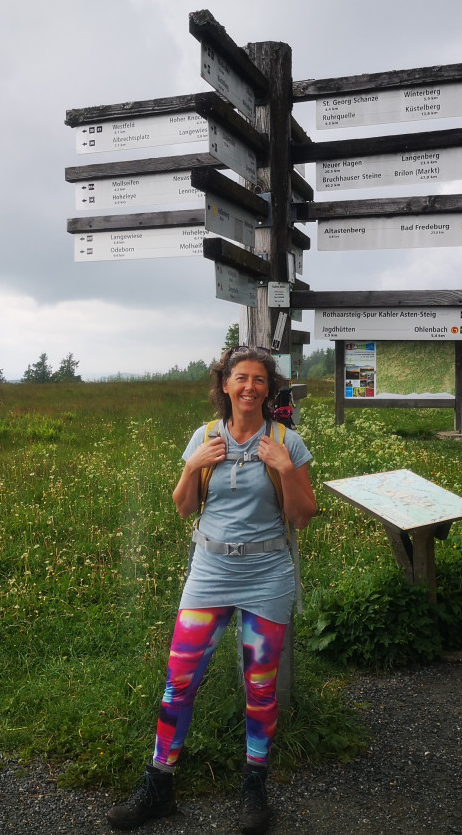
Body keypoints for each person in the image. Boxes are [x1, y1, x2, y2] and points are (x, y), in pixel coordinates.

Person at [106, 346, 317, 834]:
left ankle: (254, 786)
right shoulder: (203, 438)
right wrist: (191, 464)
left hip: (267, 573)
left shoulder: (287, 441)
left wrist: (285, 468)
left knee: (261, 687)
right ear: (224, 384)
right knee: (179, 680)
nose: (249, 387)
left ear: (270, 389)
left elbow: (303, 517)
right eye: (240, 378)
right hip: (209, 572)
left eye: (259, 380)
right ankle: (159, 783)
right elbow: (183, 508)